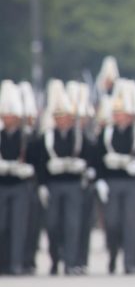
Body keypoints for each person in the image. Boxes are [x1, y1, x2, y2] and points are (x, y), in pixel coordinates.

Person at [33, 81, 92, 276]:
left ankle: (71, 261)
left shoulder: (80, 137)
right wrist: (42, 184)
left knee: (72, 225)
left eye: (65, 117)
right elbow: (39, 163)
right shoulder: (46, 138)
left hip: (74, 184)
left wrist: (84, 169)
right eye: (58, 117)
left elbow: (90, 158)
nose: (62, 121)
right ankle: (55, 258)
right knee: (52, 225)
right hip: (54, 184)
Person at [91, 80, 135, 274]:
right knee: (112, 222)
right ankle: (113, 255)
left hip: (133, 182)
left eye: (122, 114)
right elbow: (97, 159)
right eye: (116, 114)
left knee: (132, 223)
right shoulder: (106, 134)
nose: (119, 117)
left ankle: (130, 262)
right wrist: (99, 180)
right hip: (112, 181)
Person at [0, 80, 34, 275]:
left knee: (19, 227)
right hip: (2, 183)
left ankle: (17, 263)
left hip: (20, 184)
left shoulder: (26, 136)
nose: (8, 118)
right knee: (2, 226)